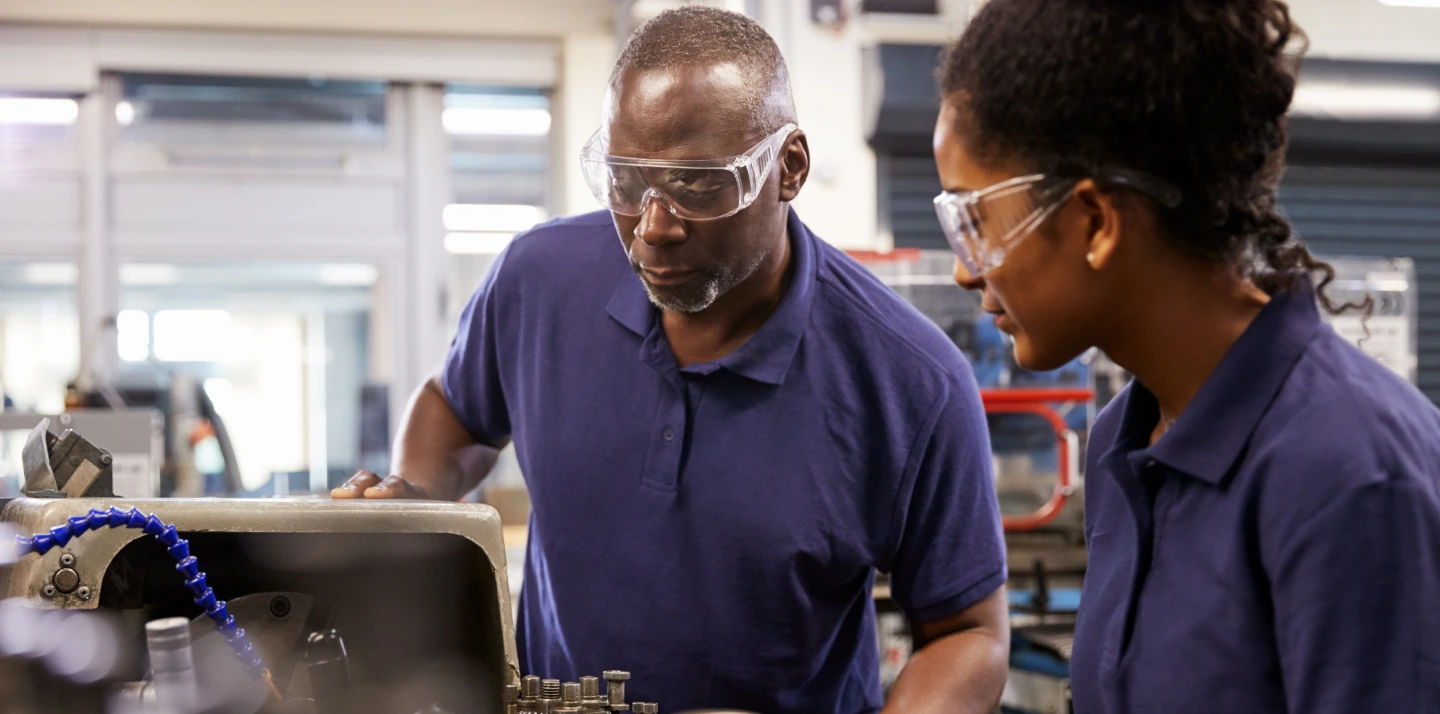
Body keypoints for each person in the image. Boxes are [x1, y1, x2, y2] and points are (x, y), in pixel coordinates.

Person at [334, 8, 1008, 714]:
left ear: (789, 168)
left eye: (696, 184)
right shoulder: (538, 282)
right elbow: (455, 409)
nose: (653, 228)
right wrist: (415, 495)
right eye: (627, 182)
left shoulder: (911, 381)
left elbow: (968, 634)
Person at [933, 0, 1440, 712]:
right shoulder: (1123, 444)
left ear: (1096, 222)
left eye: (972, 219)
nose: (964, 269)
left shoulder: (1353, 475)